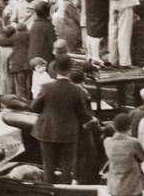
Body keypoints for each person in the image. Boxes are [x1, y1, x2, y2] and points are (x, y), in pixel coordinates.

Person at [30, 56, 95, 185]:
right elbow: (82, 113)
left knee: (48, 165)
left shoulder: (47, 87)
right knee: (66, 167)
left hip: (47, 131)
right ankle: (65, 193)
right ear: (70, 70)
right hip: (68, 133)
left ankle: (49, 191)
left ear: (56, 69)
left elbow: (34, 107)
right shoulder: (76, 90)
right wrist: (92, 119)